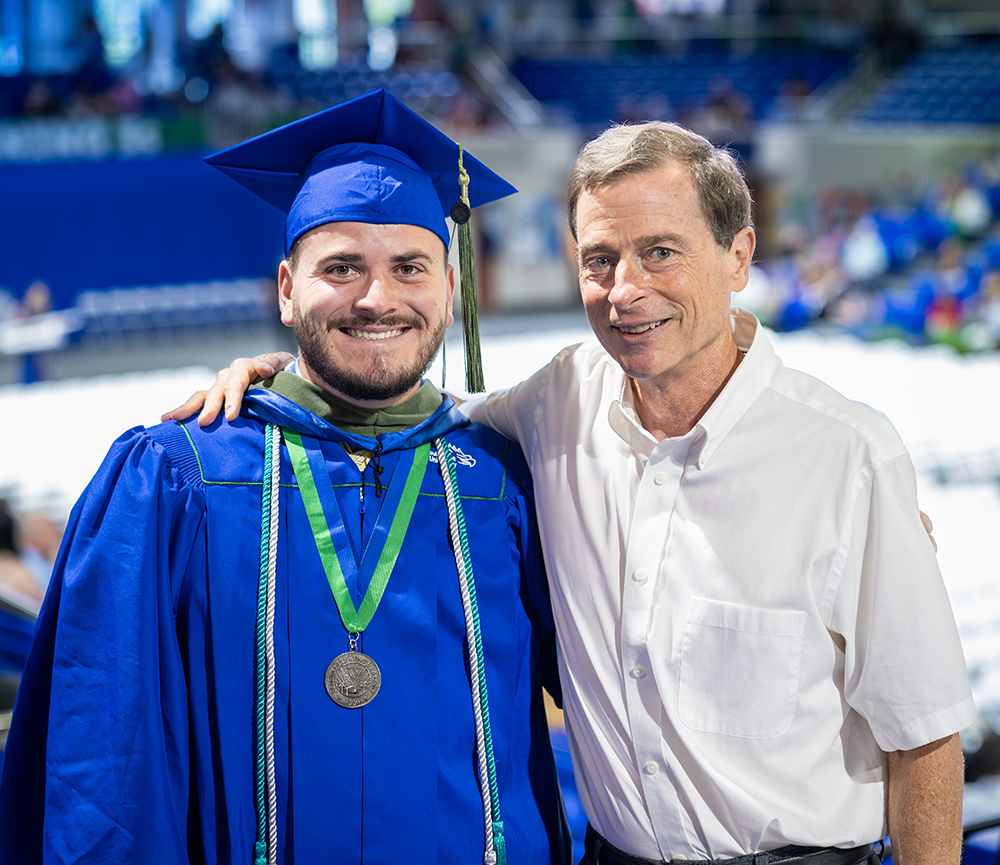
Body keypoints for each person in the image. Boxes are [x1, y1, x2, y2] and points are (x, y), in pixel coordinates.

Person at [177, 119, 977, 865]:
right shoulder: (560, 403)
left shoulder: (844, 457)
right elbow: (405, 403)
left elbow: (925, 739)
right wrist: (281, 375)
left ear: (739, 256)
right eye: (600, 259)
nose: (625, 289)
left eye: (661, 251)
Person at [0, 90, 571, 865]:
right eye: (342, 267)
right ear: (285, 287)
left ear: (448, 285)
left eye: (410, 267)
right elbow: (103, 769)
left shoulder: (505, 479)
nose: (380, 297)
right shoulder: (177, 478)